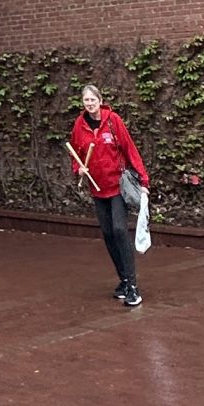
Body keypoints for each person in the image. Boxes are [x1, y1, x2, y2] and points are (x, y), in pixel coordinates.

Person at [68, 81, 148, 308]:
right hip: (97, 188)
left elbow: (130, 149)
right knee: (108, 233)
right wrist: (78, 168)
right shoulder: (79, 125)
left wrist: (144, 181)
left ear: (100, 101)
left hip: (117, 186)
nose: (89, 103)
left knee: (120, 230)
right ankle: (123, 280)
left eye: (93, 99)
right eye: (86, 100)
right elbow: (76, 153)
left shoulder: (113, 121)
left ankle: (133, 287)